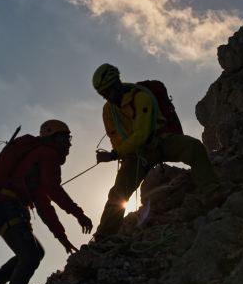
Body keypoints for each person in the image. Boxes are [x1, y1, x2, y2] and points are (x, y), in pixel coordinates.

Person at [0, 119, 93, 284]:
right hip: (9, 208)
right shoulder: (47, 155)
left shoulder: (36, 161)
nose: (68, 143)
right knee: (30, 257)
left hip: (2, 208)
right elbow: (54, 191)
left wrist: (62, 238)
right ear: (52, 138)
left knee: (35, 253)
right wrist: (79, 214)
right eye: (64, 137)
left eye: (68, 138)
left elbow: (44, 206)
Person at [91, 63, 219, 239]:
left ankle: (213, 191)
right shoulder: (108, 111)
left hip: (159, 144)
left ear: (117, 83)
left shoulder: (141, 97)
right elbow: (116, 137)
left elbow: (142, 134)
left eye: (108, 91)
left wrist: (115, 154)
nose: (107, 96)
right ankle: (104, 238)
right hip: (135, 155)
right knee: (118, 193)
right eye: (102, 94)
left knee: (193, 147)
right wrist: (122, 153)